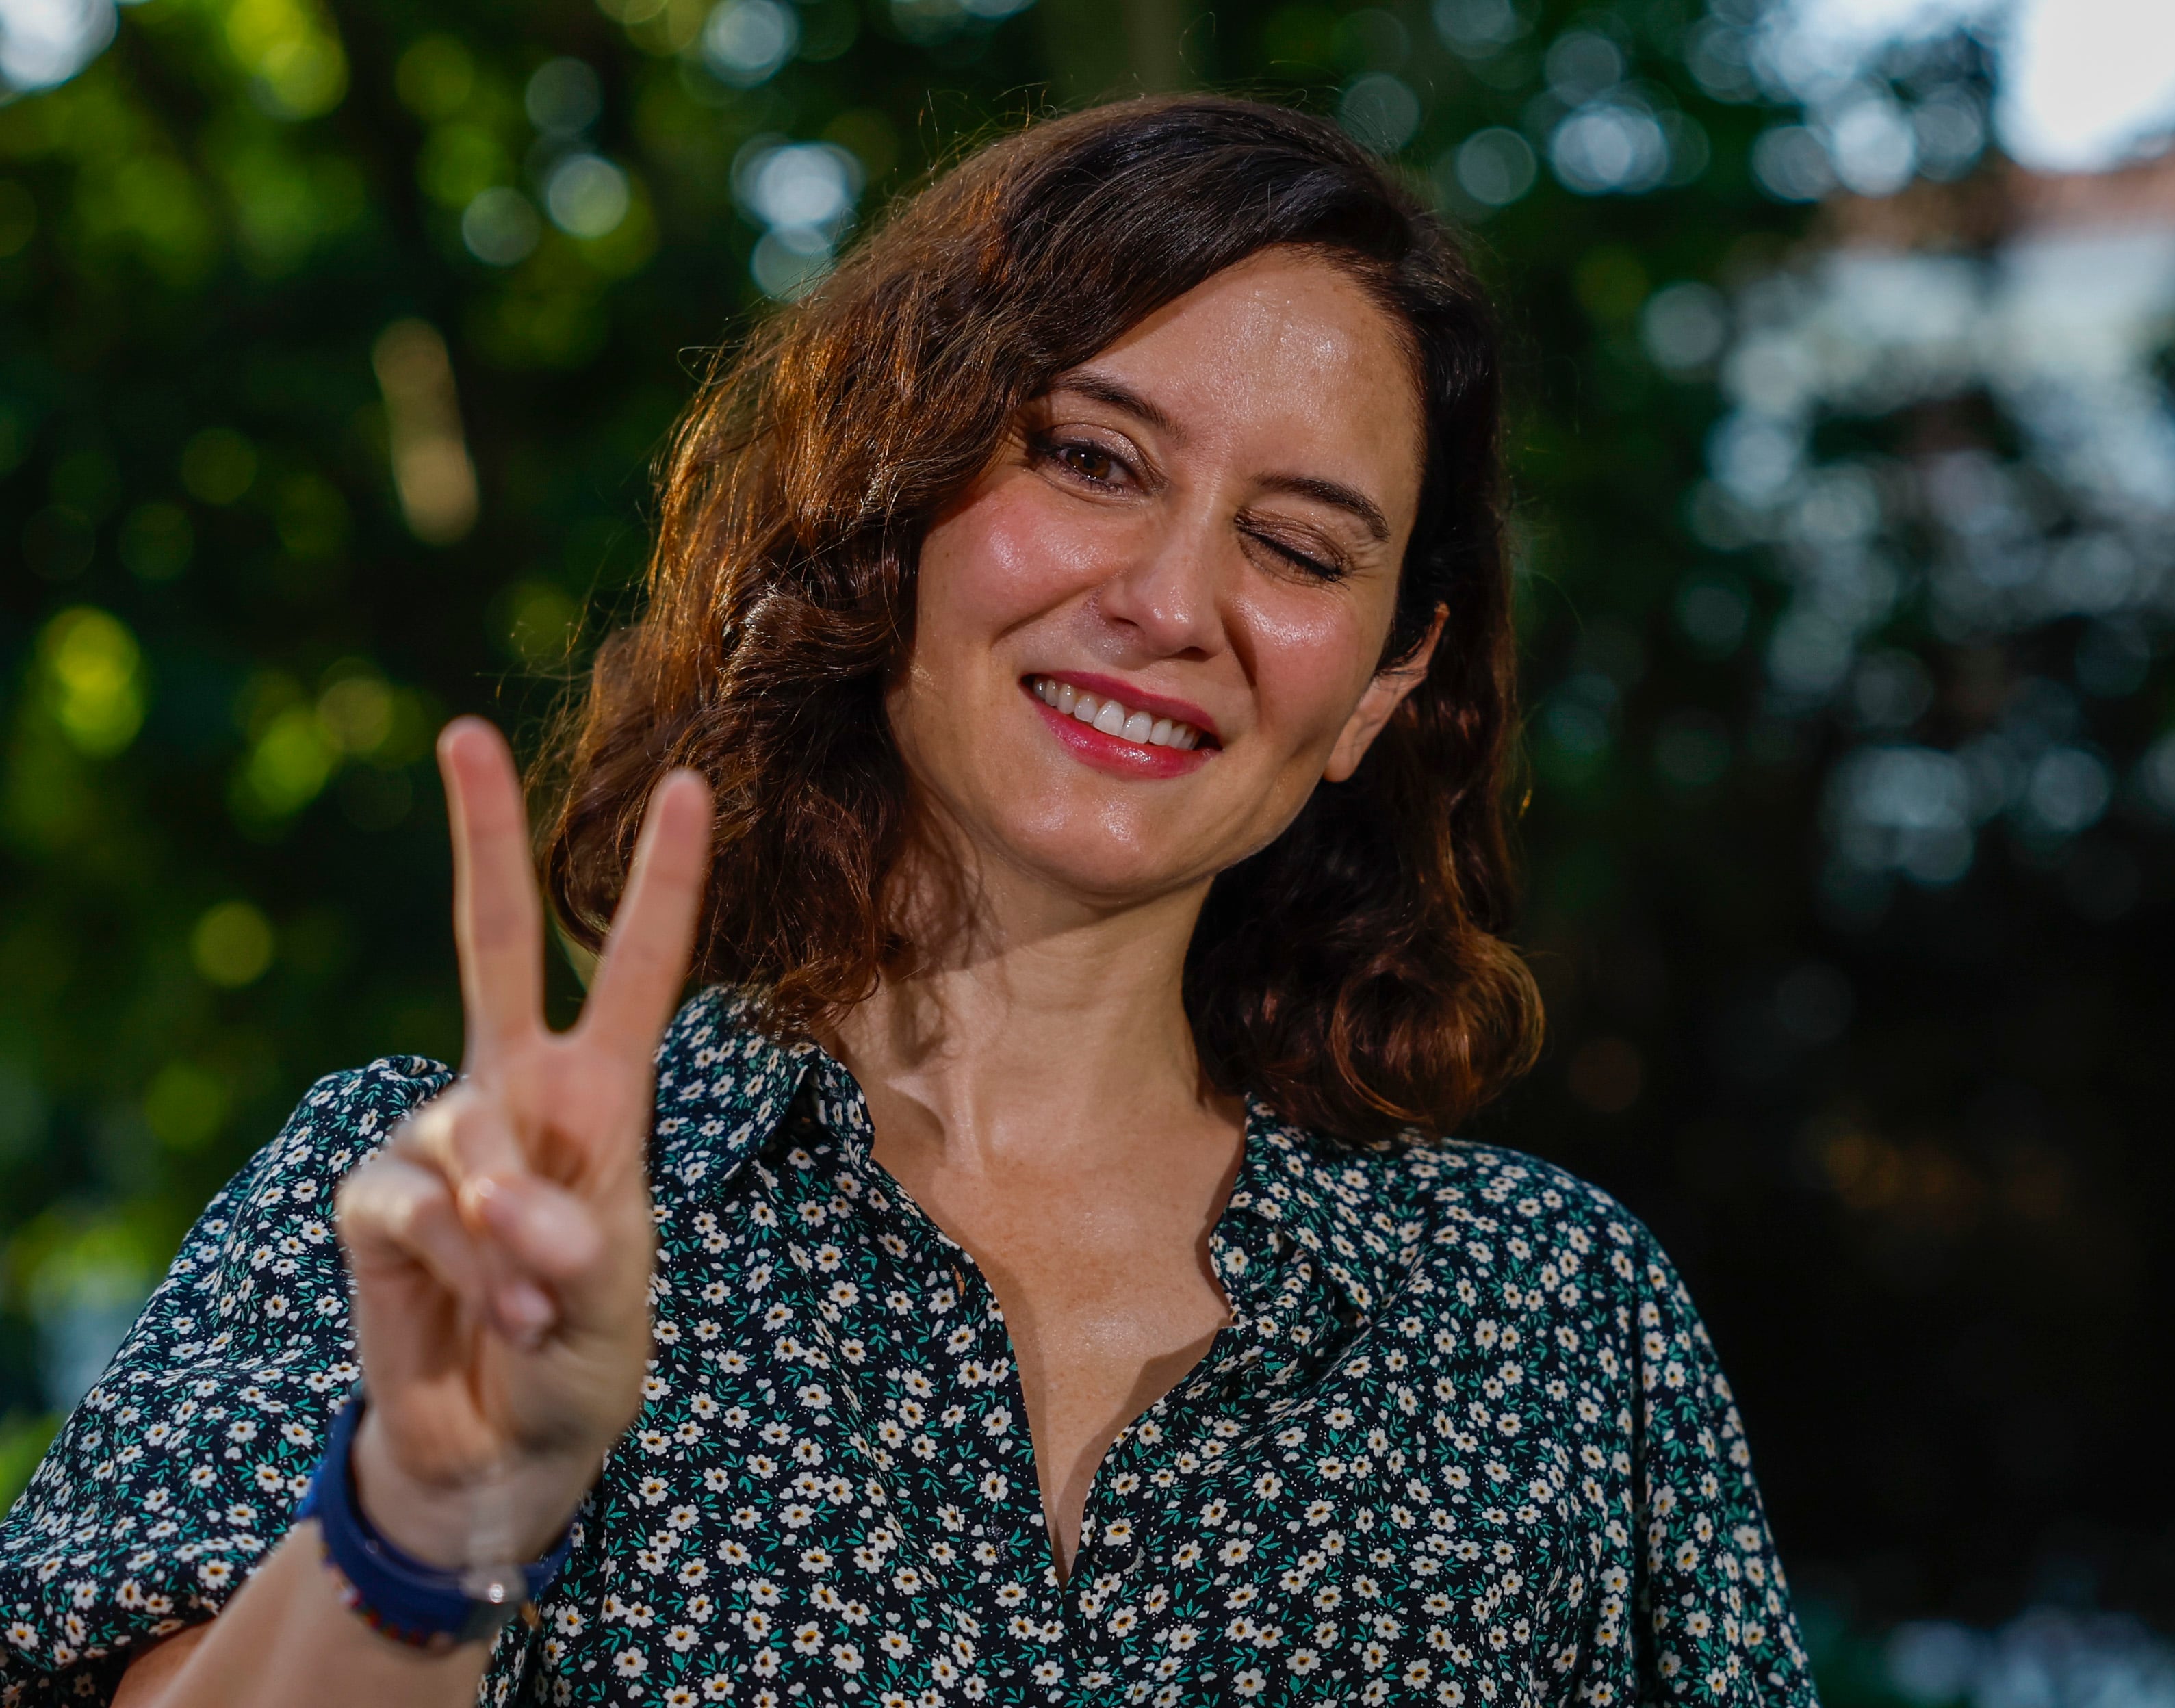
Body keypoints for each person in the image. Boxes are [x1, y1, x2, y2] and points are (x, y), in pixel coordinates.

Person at [0, 96, 1815, 1707]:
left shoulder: (1555, 1323)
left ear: (1380, 688)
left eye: (1298, 544)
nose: (1173, 599)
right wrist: (426, 1525)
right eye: (1094, 458)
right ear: (900, 497)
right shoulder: (437, 1215)